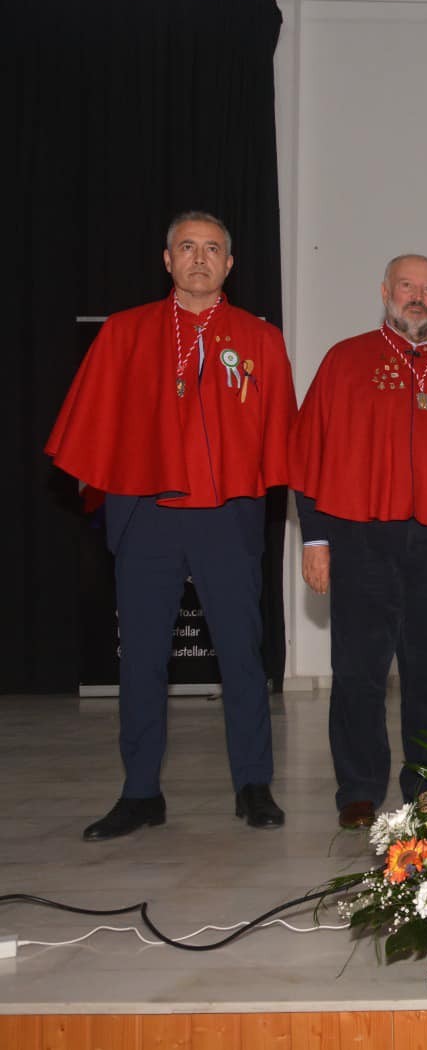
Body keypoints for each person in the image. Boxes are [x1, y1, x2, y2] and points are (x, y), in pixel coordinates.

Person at [47, 211, 296, 840]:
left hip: (227, 513)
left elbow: (280, 431)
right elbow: (92, 423)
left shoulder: (258, 339)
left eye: (213, 249)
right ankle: (139, 793)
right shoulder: (126, 332)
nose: (200, 258)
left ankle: (253, 784)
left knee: (242, 655)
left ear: (230, 265)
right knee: (143, 661)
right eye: (187, 247)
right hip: (148, 512)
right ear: (167, 260)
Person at [290, 254, 427, 829]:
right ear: (385, 290)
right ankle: (358, 789)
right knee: (358, 669)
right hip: (359, 537)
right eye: (407, 286)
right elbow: (311, 450)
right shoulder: (345, 360)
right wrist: (316, 539)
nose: (417, 297)